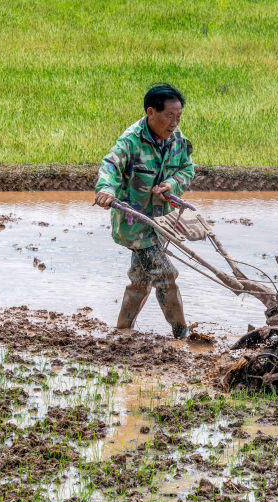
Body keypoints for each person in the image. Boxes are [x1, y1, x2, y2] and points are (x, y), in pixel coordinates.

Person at [93, 83, 195, 338]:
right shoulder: (130, 141)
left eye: (178, 116)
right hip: (135, 223)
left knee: (140, 281)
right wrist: (106, 189)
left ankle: (122, 332)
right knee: (165, 274)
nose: (174, 123)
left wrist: (171, 184)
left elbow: (187, 169)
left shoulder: (176, 139)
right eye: (169, 116)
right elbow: (111, 166)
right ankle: (181, 334)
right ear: (151, 112)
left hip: (160, 221)